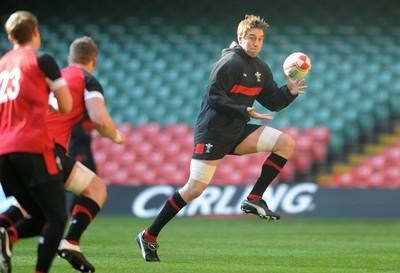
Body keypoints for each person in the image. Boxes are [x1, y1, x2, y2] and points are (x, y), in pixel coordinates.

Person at [136, 14, 308, 262]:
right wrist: (243, 111)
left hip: (237, 130)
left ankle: (254, 199)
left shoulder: (261, 68)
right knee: (194, 189)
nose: (256, 43)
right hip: (213, 132)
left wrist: (289, 92)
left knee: (286, 143)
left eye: (260, 39)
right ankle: (148, 236)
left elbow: (273, 102)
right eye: (251, 38)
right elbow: (214, 97)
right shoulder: (229, 63)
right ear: (241, 38)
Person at [0, 36, 126, 272]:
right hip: (45, 147)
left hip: (14, 144)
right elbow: (99, 119)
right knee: (90, 193)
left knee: (31, 204)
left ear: (70, 58)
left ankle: (7, 233)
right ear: (94, 61)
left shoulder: (53, 73)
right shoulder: (87, 80)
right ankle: (69, 242)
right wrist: (117, 136)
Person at [0, 10, 72, 273]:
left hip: (4, 155)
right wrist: (49, 102)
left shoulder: (2, 65)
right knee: (57, 217)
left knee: (40, 216)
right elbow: (66, 105)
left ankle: (5, 233)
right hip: (32, 147)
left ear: (10, 37)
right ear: (35, 32)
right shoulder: (41, 59)